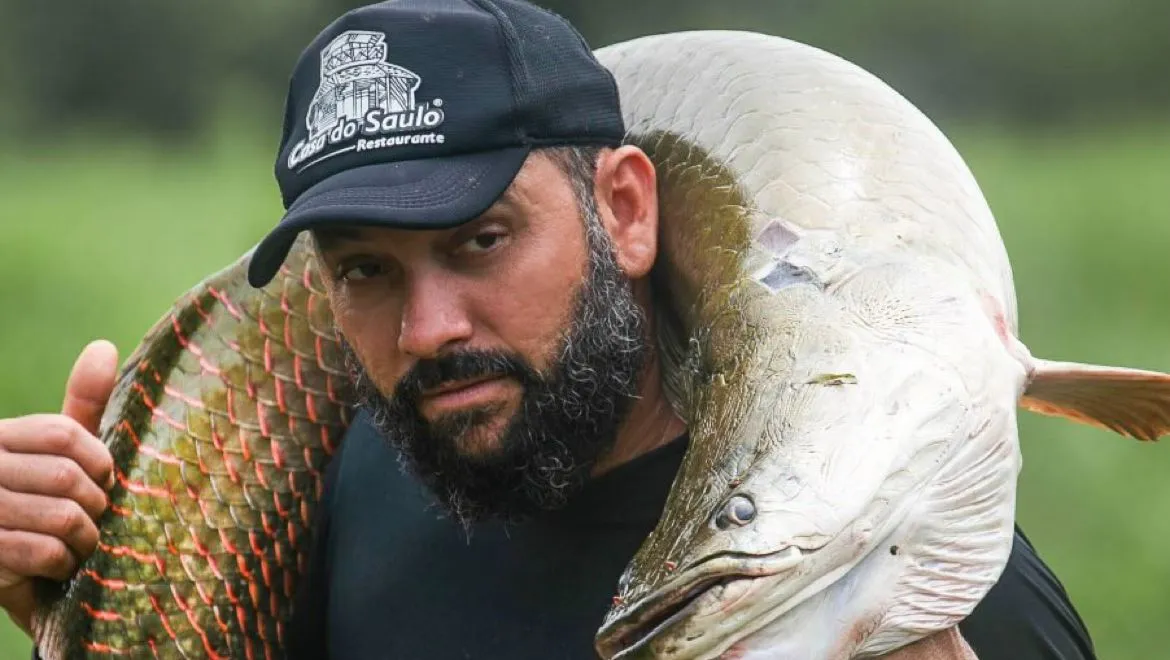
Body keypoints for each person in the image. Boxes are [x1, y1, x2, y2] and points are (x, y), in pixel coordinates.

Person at [2, 1, 1097, 658]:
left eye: (482, 242)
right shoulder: (351, 498)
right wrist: (79, 614)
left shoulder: (907, 580)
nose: (428, 329)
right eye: (367, 272)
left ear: (623, 209)